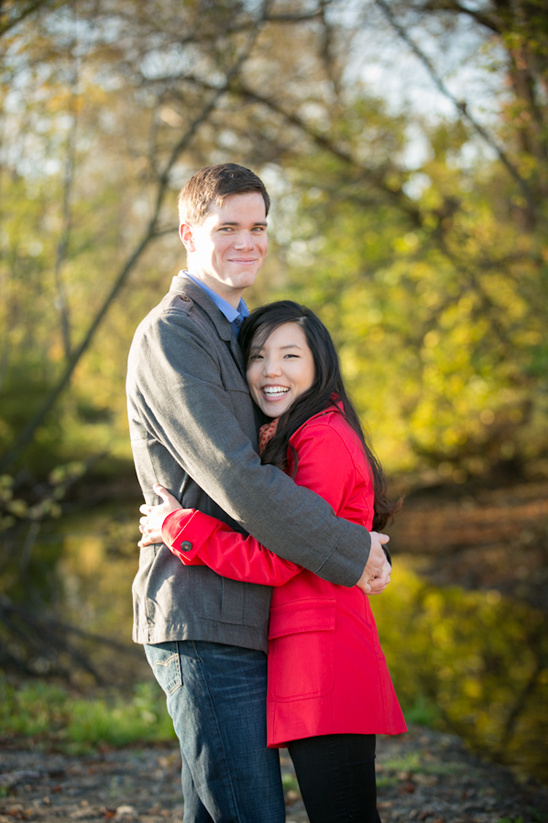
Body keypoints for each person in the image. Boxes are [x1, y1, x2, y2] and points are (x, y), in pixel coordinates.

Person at [126, 163, 392, 823]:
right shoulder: (173, 332)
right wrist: (350, 547)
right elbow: (238, 473)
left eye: (257, 227)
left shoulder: (237, 331)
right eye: (227, 228)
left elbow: (302, 459)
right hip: (201, 611)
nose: (246, 241)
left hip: (244, 614)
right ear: (189, 233)